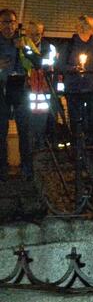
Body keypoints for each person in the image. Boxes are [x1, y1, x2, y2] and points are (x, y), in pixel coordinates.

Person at [0, 9, 33, 178]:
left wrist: (25, 49)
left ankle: (27, 168)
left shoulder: (23, 40)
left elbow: (37, 61)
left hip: (20, 88)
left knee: (25, 130)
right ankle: (2, 170)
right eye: (5, 22)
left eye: (12, 22)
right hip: (2, 89)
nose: (9, 25)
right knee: (1, 131)